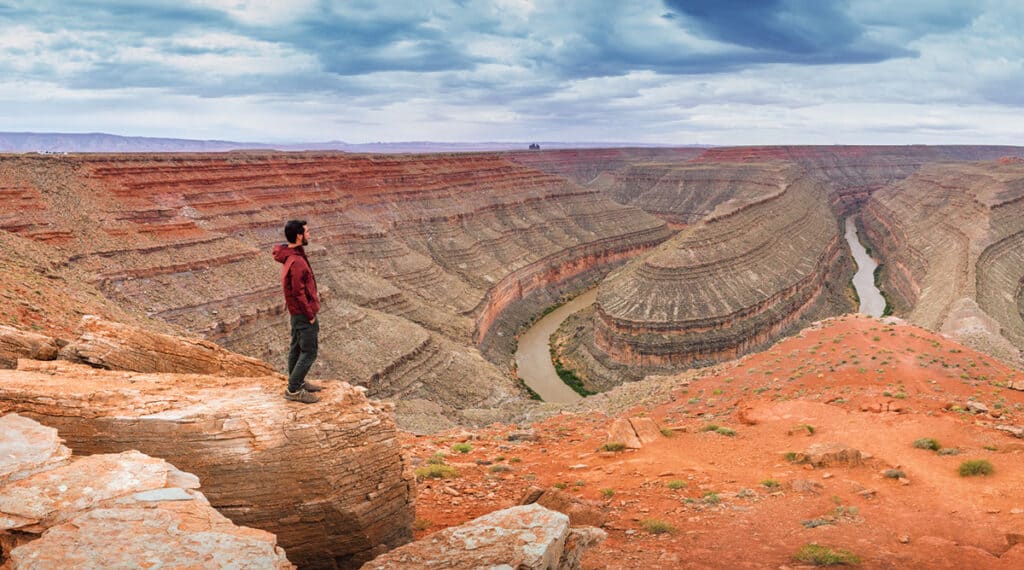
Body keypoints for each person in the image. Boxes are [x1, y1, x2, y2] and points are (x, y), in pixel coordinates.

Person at [272, 220, 323, 403]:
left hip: (297, 313)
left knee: (296, 348)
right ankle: (293, 390)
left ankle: (298, 381)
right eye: (307, 232)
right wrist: (309, 315)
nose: (309, 234)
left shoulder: (293, 256)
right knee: (309, 351)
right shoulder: (297, 261)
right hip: (303, 313)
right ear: (299, 235)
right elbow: (298, 292)